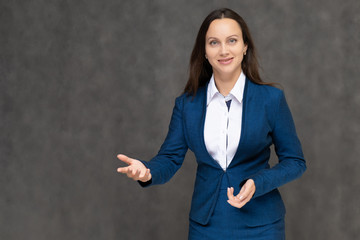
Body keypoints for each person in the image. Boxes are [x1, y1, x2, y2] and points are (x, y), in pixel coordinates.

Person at [117, 8, 306, 240]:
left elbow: (295, 161)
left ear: (245, 46)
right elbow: (169, 158)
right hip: (206, 226)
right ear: (204, 51)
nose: (224, 50)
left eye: (232, 41)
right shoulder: (188, 104)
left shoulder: (271, 99)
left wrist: (258, 182)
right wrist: (146, 172)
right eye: (214, 42)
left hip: (262, 225)